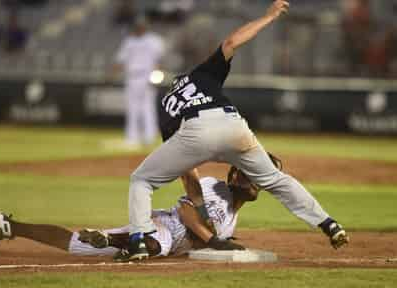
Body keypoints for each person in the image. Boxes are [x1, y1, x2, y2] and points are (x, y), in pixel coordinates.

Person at [125, 0, 349, 262]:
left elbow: (188, 174)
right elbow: (232, 42)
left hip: (195, 130)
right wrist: (269, 16)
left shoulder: (166, 103)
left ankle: (138, 241)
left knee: (142, 180)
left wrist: (202, 212)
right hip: (233, 125)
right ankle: (328, 224)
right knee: (276, 180)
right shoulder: (201, 75)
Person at [0, 166, 270, 258]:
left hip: (172, 243)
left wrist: (219, 239)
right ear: (235, 178)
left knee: (74, 244)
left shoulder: (233, 216)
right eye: (250, 177)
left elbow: (209, 233)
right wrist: (212, 240)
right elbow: (185, 211)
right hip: (166, 226)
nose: (255, 183)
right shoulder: (216, 189)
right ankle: (117, 242)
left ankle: (9, 226)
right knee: (154, 244)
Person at [112, 16, 165, 149]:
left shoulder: (154, 40)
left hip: (146, 76)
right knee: (133, 108)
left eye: (142, 25)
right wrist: (112, 73)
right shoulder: (129, 41)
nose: (140, 28)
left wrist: (156, 76)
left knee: (147, 107)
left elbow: (159, 60)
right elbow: (120, 61)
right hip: (132, 77)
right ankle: (133, 137)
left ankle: (149, 136)